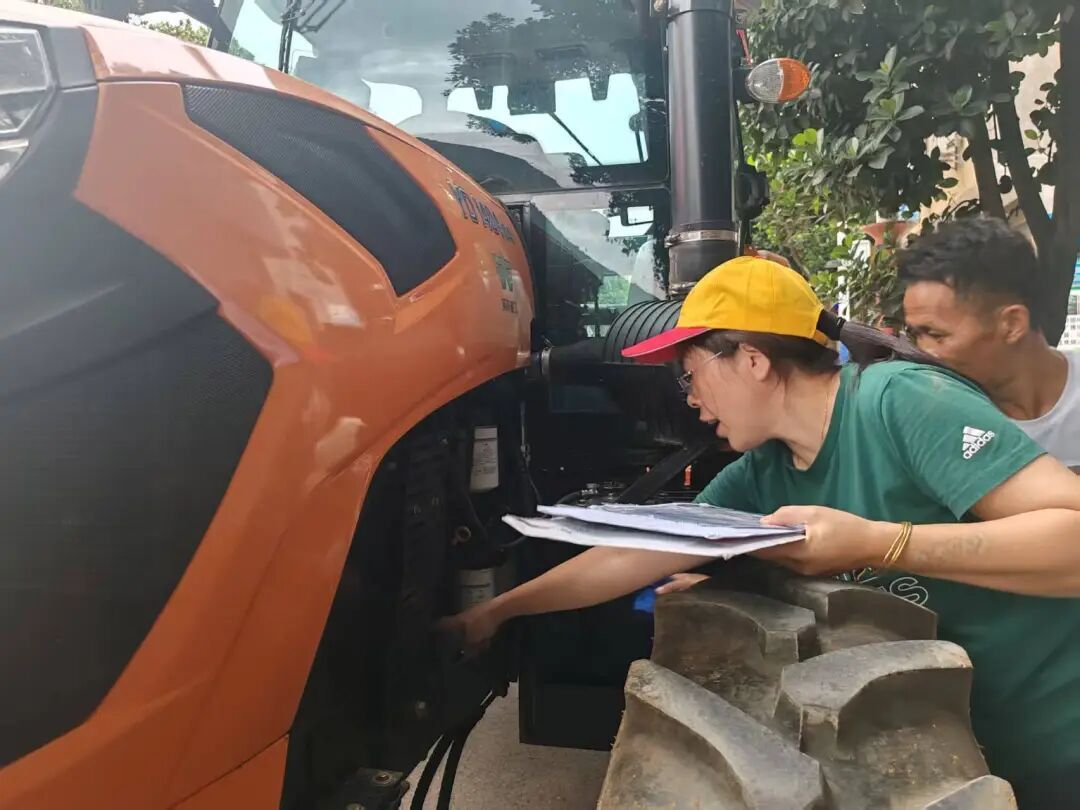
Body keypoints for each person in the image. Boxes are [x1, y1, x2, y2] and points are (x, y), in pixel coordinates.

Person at [444, 256, 1080, 807]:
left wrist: (878, 542)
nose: (690, 398)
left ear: (751, 360)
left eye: (690, 373)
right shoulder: (763, 473)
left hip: (1055, 733)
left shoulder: (898, 403)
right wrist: (495, 612)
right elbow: (630, 556)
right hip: (945, 748)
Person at [899, 217, 1080, 470]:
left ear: (1012, 324)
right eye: (916, 334)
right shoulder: (935, 423)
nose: (923, 352)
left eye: (936, 335)